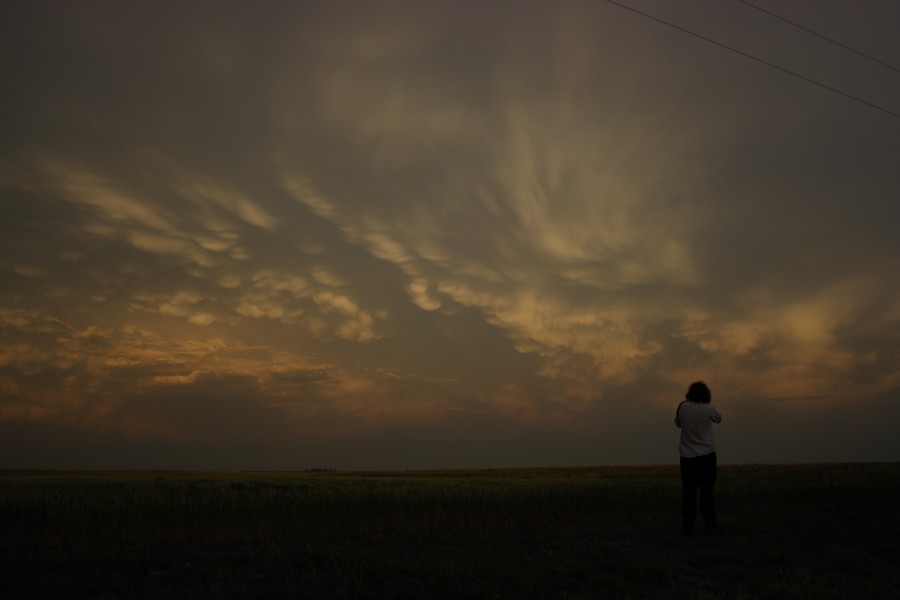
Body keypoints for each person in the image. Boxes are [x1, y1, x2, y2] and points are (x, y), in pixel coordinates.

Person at [675, 381, 722, 535]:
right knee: (706, 491)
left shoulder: (682, 407)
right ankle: (710, 523)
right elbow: (718, 418)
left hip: (687, 457)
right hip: (707, 456)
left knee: (689, 491)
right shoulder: (707, 408)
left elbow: (678, 424)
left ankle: (688, 523)